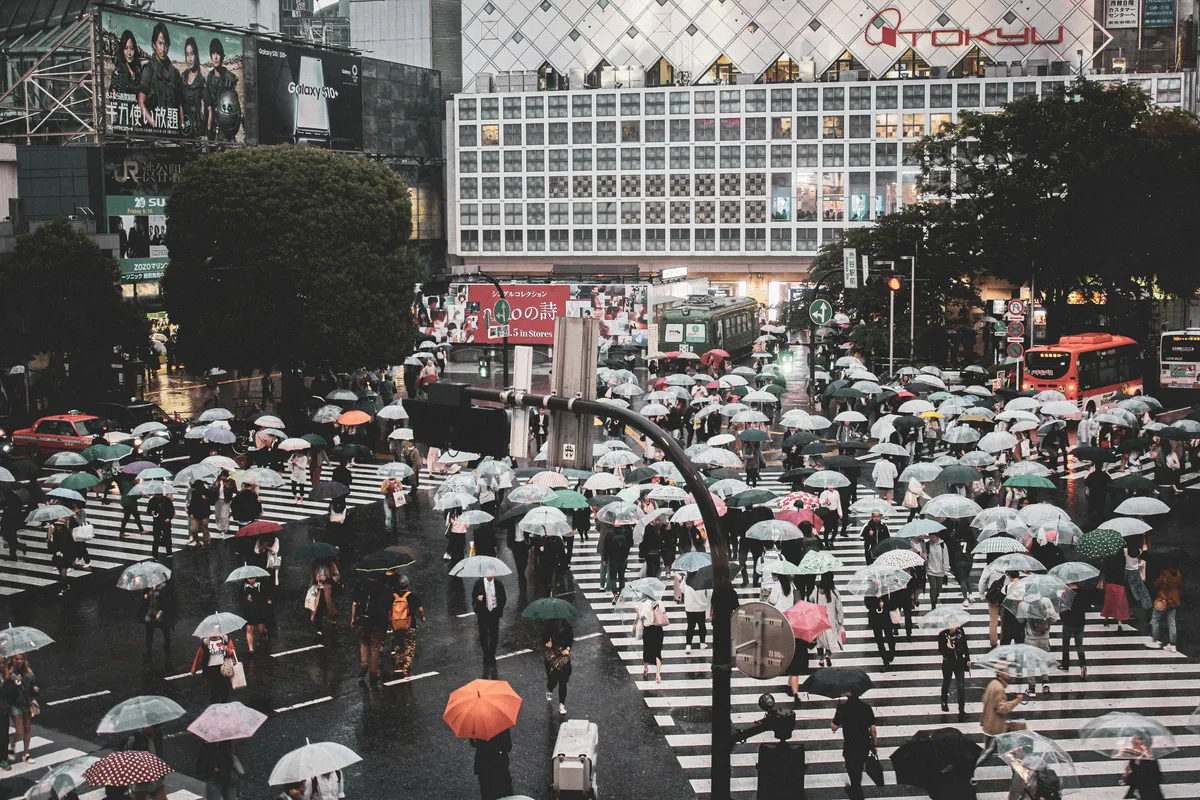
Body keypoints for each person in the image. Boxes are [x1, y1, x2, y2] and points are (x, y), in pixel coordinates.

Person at [137, 22, 183, 132]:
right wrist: (155, 125)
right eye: (160, 43)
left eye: (166, 44)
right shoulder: (148, 70)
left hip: (172, 131)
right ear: (154, 45)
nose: (163, 49)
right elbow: (141, 103)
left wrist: (181, 124)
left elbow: (180, 103)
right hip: (154, 132)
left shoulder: (174, 72)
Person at [831, 691, 877, 800]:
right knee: (859, 767)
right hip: (864, 743)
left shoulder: (843, 708)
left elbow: (833, 727)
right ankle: (855, 788)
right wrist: (874, 744)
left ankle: (856, 791)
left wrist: (837, 712)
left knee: (851, 768)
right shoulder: (866, 708)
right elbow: (873, 729)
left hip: (850, 744)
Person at [351, 575, 392, 685]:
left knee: (364, 642)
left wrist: (353, 618)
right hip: (378, 620)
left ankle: (364, 664)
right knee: (375, 645)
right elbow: (388, 608)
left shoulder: (362, 584)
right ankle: (374, 672)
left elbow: (355, 603)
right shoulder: (384, 587)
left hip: (364, 619)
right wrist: (389, 622)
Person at [979, 667, 1025, 761]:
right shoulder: (999, 689)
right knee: (1008, 752)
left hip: (989, 724)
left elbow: (985, 699)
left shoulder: (993, 684)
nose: (1009, 674)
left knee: (989, 752)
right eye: (1006, 672)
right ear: (1000, 674)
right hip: (996, 728)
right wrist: (1017, 700)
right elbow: (1002, 709)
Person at [4, 655, 38, 764]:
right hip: (14, 703)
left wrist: (36, 689)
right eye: (17, 659)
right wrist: (12, 678)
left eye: (21, 659)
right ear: (13, 659)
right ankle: (13, 745)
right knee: (19, 730)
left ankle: (26, 754)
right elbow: (5, 688)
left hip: (26, 703)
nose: (19, 661)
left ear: (24, 660)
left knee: (27, 728)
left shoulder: (27, 670)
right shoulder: (9, 670)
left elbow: (33, 684)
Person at [391, 575, 425, 677]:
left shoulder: (393, 596)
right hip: (410, 625)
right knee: (410, 646)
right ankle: (407, 670)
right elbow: (420, 609)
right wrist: (422, 618)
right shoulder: (411, 596)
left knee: (398, 645)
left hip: (397, 625)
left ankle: (398, 665)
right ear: (407, 585)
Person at [204, 38, 238, 141]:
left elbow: (233, 106)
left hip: (226, 128)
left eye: (218, 53)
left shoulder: (230, 78)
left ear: (222, 56)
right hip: (212, 126)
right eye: (213, 53)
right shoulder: (209, 78)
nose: (215, 57)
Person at [809, 572, 844, 668]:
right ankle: (827, 655)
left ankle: (820, 660)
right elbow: (839, 608)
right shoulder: (834, 592)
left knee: (819, 642)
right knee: (829, 641)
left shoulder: (817, 590)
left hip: (819, 620)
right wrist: (840, 621)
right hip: (830, 621)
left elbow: (810, 599)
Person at [938, 619, 970, 720]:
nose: (954, 626)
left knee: (960, 685)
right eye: (952, 623)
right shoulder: (942, 635)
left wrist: (968, 659)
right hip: (948, 662)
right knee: (947, 682)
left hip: (959, 663)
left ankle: (961, 709)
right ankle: (944, 701)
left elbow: (965, 646)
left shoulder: (960, 632)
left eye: (955, 623)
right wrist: (948, 647)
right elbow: (941, 650)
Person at [472, 570, 506, 663]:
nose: (490, 576)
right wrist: (478, 600)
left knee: (494, 634)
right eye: (488, 573)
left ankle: (492, 654)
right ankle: (485, 654)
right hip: (483, 612)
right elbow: (474, 597)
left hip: (494, 612)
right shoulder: (479, 584)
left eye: (491, 574)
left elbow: (503, 598)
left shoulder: (498, 584)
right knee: (483, 633)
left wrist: (499, 609)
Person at [633, 594, 668, 683]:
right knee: (658, 651)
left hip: (648, 630)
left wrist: (638, 611)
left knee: (646, 649)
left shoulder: (642, 605)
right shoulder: (659, 603)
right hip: (658, 629)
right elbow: (664, 613)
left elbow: (640, 617)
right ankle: (658, 673)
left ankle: (645, 667)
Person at [471, 729, 513, 800]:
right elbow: (508, 746)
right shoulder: (500, 725)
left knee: (486, 793)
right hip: (500, 765)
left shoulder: (475, 725)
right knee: (505, 793)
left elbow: (473, 744)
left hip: (483, 765)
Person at [190, 635, 235, 703]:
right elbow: (199, 657)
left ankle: (223, 705)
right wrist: (194, 669)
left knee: (224, 691)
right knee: (213, 691)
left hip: (223, 668)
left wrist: (227, 649)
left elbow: (232, 652)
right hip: (210, 670)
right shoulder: (206, 642)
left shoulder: (225, 639)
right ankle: (216, 706)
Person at [141, 580, 176, 666]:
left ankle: (167, 645)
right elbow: (147, 599)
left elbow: (168, 602)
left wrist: (161, 612)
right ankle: (148, 649)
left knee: (165, 630)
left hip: (160, 613)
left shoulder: (163, 588)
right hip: (150, 612)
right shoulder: (149, 587)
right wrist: (146, 596)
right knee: (149, 631)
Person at [543, 619, 573, 715]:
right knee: (552, 679)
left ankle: (561, 704)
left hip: (563, 658)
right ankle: (550, 689)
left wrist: (568, 649)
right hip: (552, 656)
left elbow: (570, 640)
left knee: (563, 682)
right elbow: (543, 639)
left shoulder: (567, 628)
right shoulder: (549, 627)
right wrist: (547, 644)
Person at [1148, 565, 1181, 652]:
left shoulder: (1165, 573)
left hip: (1163, 600)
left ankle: (1155, 640)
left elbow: (1157, 584)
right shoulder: (1178, 573)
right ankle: (1172, 645)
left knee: (1155, 619)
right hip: (1174, 600)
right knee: (1172, 623)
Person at [309, 557, 340, 635]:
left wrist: (327, 579)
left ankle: (333, 619)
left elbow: (337, 576)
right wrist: (316, 579)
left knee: (330, 607)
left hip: (328, 589)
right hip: (318, 589)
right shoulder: (315, 565)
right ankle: (319, 628)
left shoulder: (331, 564)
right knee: (318, 608)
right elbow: (312, 577)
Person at [1100, 552, 1131, 631]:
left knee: (1108, 602)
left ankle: (1106, 619)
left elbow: (1103, 569)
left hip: (1109, 583)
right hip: (1120, 583)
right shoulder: (1122, 558)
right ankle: (1119, 624)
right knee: (1119, 603)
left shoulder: (1107, 559)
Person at [242, 576, 272, 654]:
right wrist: (246, 599)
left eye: (253, 578)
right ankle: (251, 649)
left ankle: (264, 633)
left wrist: (254, 599)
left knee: (260, 629)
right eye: (250, 579)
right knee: (249, 629)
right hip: (249, 610)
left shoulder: (260, 586)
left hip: (259, 610)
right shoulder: (244, 587)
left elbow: (264, 597)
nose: (252, 580)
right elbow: (240, 598)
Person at [865, 595, 895, 669]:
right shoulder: (870, 592)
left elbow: (893, 604)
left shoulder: (887, 590)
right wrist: (877, 604)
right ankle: (885, 661)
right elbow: (867, 605)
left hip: (886, 617)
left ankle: (892, 652)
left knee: (889, 637)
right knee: (879, 641)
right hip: (875, 618)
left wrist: (884, 603)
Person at [683, 581, 712, 655]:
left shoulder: (686, 580)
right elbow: (709, 592)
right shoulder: (703, 580)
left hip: (690, 606)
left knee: (690, 626)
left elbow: (682, 590)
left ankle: (688, 645)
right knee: (701, 625)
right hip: (701, 606)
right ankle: (702, 643)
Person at [111, 29, 141, 93]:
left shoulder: (139, 70)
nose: (129, 53)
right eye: (126, 48)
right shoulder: (118, 72)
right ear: (122, 50)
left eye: (132, 48)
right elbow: (113, 93)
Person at [925, 532, 951, 607]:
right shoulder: (927, 545)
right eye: (930, 537)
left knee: (938, 588)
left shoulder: (942, 545)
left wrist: (946, 569)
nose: (931, 538)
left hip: (940, 570)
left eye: (933, 537)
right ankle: (933, 603)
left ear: (937, 537)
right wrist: (925, 556)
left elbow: (945, 557)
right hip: (930, 570)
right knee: (933, 588)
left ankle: (935, 598)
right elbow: (925, 556)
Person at [147, 491, 175, 560]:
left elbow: (172, 510)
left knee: (167, 537)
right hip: (157, 522)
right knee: (156, 539)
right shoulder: (152, 500)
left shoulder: (167, 500)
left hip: (166, 521)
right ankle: (154, 555)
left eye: (159, 495)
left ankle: (169, 553)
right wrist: (151, 512)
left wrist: (169, 518)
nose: (158, 496)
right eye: (157, 495)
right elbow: (148, 510)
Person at [117, 474, 145, 539]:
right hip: (130, 504)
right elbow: (135, 496)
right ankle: (141, 530)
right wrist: (141, 494)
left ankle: (122, 532)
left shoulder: (125, 484)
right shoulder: (132, 487)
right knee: (135, 516)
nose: (137, 481)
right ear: (132, 480)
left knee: (127, 517)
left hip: (124, 502)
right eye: (136, 479)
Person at [187, 480, 212, 548]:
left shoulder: (207, 492)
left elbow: (212, 500)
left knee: (205, 529)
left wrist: (206, 498)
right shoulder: (194, 492)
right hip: (196, 513)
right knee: (194, 529)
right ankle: (197, 542)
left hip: (204, 513)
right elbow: (192, 503)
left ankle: (205, 543)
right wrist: (191, 512)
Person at [817, 483, 842, 548]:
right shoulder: (824, 493)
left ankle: (831, 540)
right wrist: (825, 502)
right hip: (827, 513)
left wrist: (840, 513)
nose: (831, 487)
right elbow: (821, 503)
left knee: (836, 529)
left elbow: (838, 503)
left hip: (834, 512)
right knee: (827, 528)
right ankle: (826, 543)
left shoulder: (836, 493)